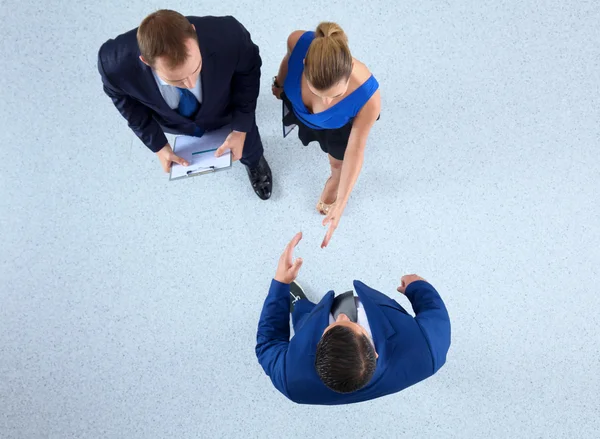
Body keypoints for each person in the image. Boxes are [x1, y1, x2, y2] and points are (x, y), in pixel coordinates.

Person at [256, 233, 451, 405]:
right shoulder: (428, 353)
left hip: (308, 325)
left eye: (332, 326)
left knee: (306, 317)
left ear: (315, 350)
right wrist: (417, 287)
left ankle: (301, 306)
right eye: (350, 324)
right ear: (373, 352)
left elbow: (269, 342)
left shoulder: (292, 381)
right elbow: (434, 310)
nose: (342, 315)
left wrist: (281, 283)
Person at [97, 10, 272, 200]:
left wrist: (240, 128)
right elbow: (123, 101)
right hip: (173, 121)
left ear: (194, 33)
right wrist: (158, 145)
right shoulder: (113, 65)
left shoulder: (230, 36)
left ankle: (254, 161)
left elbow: (248, 73)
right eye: (177, 80)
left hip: (224, 105)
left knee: (248, 140)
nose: (190, 84)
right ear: (146, 61)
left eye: (195, 69)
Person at [271, 23, 381, 246]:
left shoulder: (369, 98)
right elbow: (287, 60)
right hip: (304, 115)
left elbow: (356, 148)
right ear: (305, 65)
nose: (327, 102)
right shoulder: (295, 40)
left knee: (339, 163)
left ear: (349, 68)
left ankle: (335, 178)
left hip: (338, 126)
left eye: (336, 94)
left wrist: (341, 202)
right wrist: (280, 82)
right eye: (317, 91)